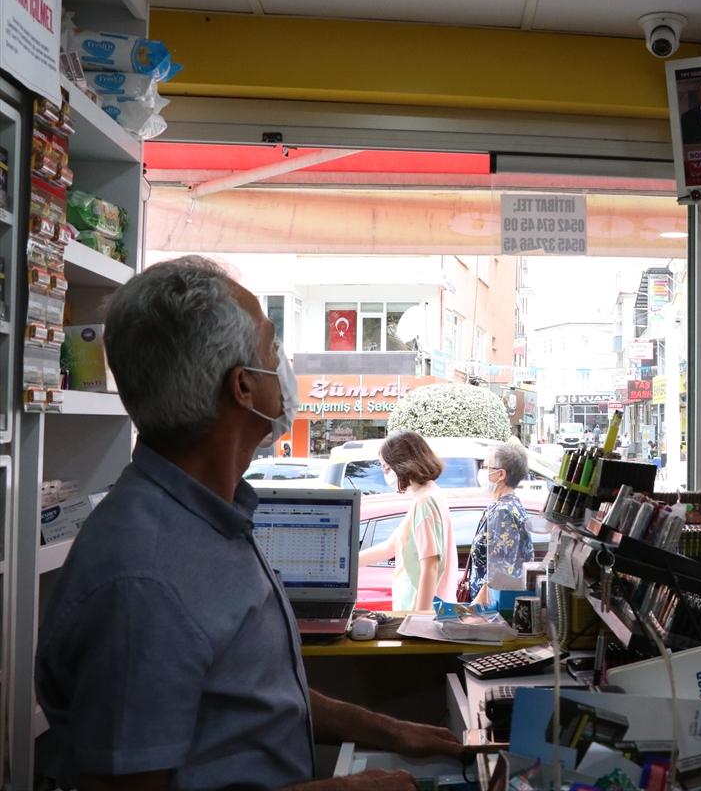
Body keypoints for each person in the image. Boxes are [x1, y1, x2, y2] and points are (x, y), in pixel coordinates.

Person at [35, 257, 461, 791]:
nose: (281, 363)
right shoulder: (143, 579)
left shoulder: (211, 516)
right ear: (242, 386)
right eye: (271, 346)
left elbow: (256, 693)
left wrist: (389, 730)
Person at [359, 430, 457, 610]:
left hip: (417, 610)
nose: (386, 474)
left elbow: (430, 566)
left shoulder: (425, 502)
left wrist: (420, 618)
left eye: (386, 468)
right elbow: (389, 547)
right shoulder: (429, 494)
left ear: (402, 464)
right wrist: (344, 565)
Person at [465, 444, 534, 604]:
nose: (481, 471)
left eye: (485, 467)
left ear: (501, 474)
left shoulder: (503, 512)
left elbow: (499, 572)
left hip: (492, 607)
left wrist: (474, 609)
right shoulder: (505, 505)